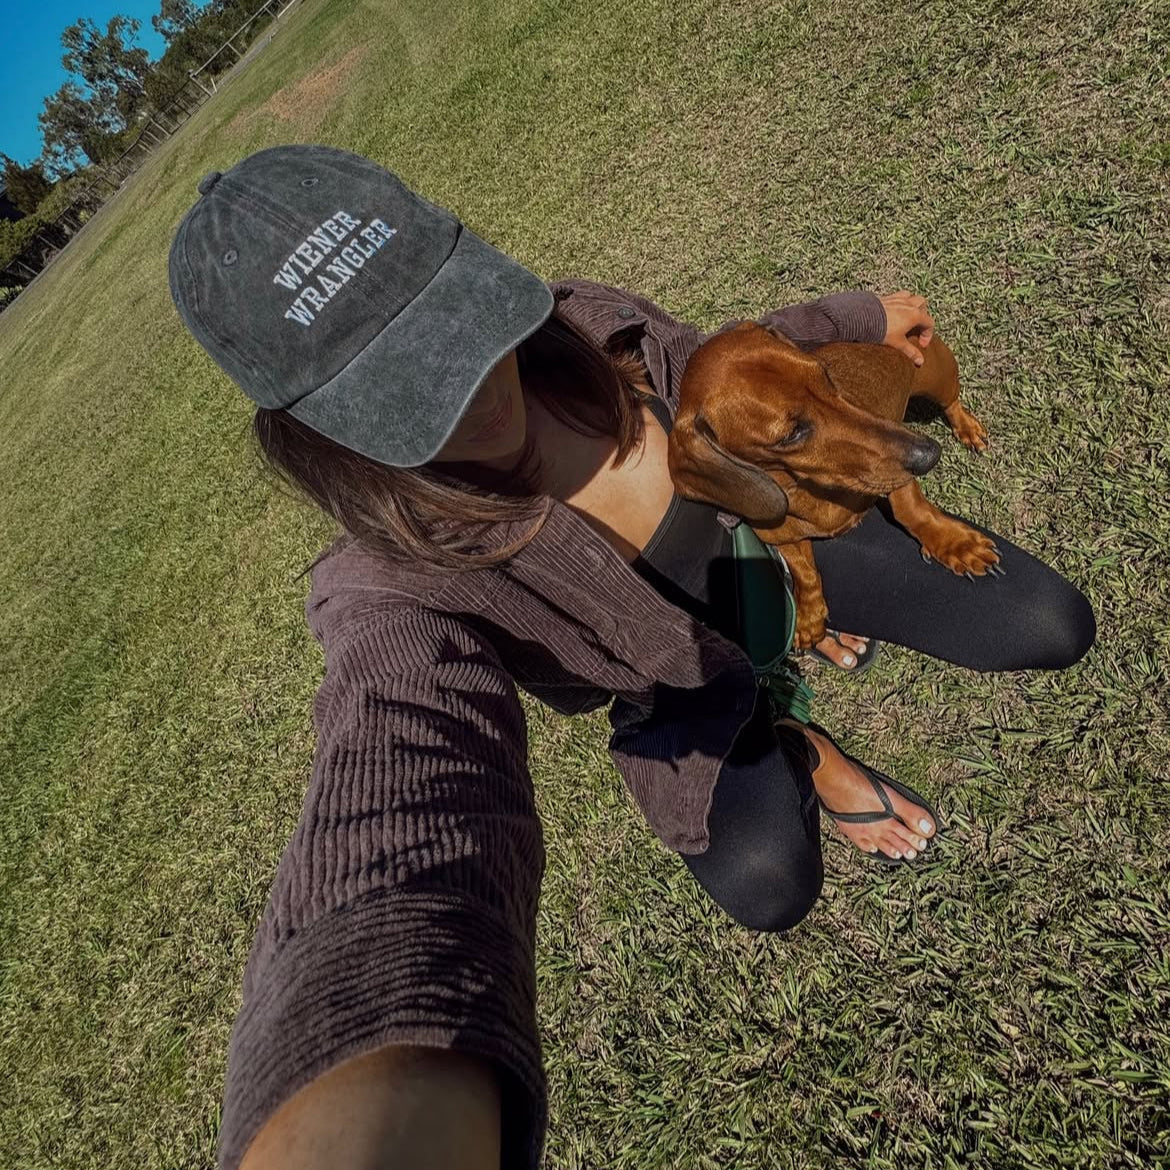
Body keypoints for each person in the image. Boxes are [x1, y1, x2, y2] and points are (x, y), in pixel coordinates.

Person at [167, 145, 1095, 1170]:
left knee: (1045, 624)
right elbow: (397, 768)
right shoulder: (385, 584)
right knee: (766, 881)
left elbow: (731, 359)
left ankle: (800, 626)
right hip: (681, 697)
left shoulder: (589, 324)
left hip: (784, 546)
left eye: (457, 319)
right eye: (403, 386)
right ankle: (798, 738)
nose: (477, 388)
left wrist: (859, 314)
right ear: (316, 432)